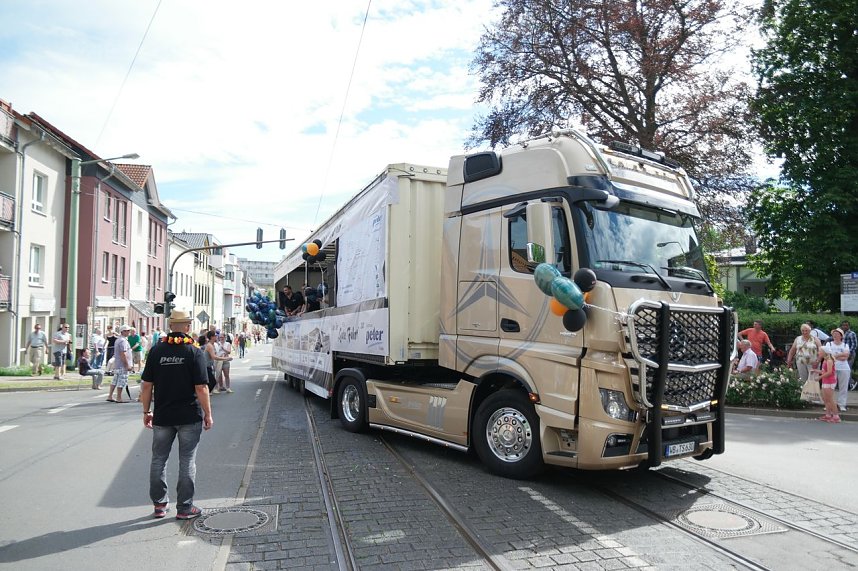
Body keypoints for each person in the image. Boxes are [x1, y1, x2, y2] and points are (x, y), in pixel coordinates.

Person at [140, 309, 213, 520]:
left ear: (171, 326)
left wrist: (146, 411)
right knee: (187, 461)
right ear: (188, 327)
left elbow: (146, 385)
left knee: (158, 460)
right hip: (189, 415)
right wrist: (208, 413)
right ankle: (185, 508)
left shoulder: (156, 351)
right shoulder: (194, 352)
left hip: (163, 415)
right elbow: (202, 387)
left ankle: (159, 505)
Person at [823, 328, 851, 413]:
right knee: (830, 387)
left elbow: (846, 357)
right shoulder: (829, 344)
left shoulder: (845, 345)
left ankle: (841, 404)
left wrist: (835, 356)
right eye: (834, 334)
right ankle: (829, 404)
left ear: (841, 336)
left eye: (837, 334)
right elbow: (828, 356)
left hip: (844, 368)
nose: (835, 335)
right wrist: (841, 354)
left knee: (843, 387)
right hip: (831, 368)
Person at [107, 325, 133, 403]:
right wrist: (127, 365)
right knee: (121, 380)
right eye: (127, 331)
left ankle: (110, 396)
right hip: (122, 365)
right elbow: (123, 354)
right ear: (123, 331)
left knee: (115, 380)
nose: (129, 332)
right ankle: (119, 397)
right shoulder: (123, 341)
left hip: (118, 364)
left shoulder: (118, 340)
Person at [818, 352, 840, 423]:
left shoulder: (829, 360)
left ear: (824, 352)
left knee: (830, 399)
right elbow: (824, 371)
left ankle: (836, 416)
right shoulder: (825, 360)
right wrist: (816, 371)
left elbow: (829, 372)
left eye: (820, 351)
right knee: (826, 399)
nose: (818, 352)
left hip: (829, 381)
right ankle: (828, 415)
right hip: (825, 381)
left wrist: (820, 377)